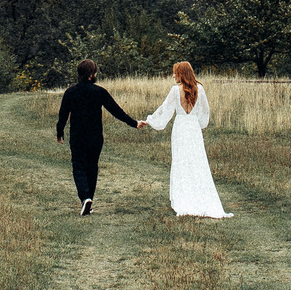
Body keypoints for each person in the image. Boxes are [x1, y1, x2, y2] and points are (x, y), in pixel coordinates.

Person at [54, 59, 145, 214]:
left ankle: (85, 199)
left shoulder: (70, 92)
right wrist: (134, 123)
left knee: (79, 166)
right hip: (95, 137)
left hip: (77, 137)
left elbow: (63, 114)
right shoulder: (99, 91)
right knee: (92, 167)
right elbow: (116, 111)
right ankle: (88, 199)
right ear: (91, 74)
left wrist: (59, 131)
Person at [144, 60, 228, 218]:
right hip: (194, 128)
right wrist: (198, 123)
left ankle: (184, 197)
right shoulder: (200, 89)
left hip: (181, 127)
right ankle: (198, 195)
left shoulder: (175, 91)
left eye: (175, 72)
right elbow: (205, 113)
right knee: (196, 161)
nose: (173, 75)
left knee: (181, 161)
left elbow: (164, 110)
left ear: (182, 74)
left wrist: (150, 120)